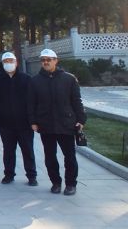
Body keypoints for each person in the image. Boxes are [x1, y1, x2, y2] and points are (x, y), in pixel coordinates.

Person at [29, 49, 86, 196]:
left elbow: (76, 101)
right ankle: (55, 182)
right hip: (46, 124)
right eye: (43, 60)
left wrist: (81, 119)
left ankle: (71, 184)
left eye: (49, 59)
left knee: (70, 156)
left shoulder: (69, 79)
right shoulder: (35, 81)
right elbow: (31, 104)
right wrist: (33, 121)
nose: (46, 62)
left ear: (56, 60)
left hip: (66, 123)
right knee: (50, 156)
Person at [0, 52, 37, 186]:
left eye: (11, 61)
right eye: (6, 61)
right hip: (5, 122)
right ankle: (9, 174)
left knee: (28, 150)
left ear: (16, 62)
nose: (9, 63)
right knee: (8, 150)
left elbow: (32, 100)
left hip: (24, 122)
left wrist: (33, 120)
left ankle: (32, 176)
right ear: (3, 63)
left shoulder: (26, 79)